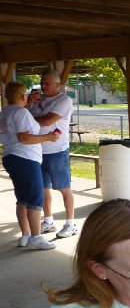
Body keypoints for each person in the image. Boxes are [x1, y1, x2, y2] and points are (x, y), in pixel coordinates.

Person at [0, 82, 59, 250]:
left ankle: (25, 235)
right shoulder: (21, 113)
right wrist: (47, 137)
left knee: (23, 198)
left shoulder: (4, 113)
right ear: (23, 96)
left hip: (11, 156)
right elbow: (25, 138)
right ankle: (36, 237)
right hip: (25, 158)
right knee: (35, 197)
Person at [28, 69, 78, 238]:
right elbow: (23, 116)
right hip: (37, 150)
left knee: (64, 187)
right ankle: (48, 221)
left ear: (58, 85)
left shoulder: (64, 100)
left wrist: (28, 117)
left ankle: (70, 223)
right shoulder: (35, 100)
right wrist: (27, 104)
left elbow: (47, 120)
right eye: (42, 82)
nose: (43, 86)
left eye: (47, 83)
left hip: (57, 150)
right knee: (42, 188)